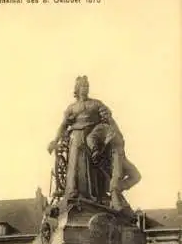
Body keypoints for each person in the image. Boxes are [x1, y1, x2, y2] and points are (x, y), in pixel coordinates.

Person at [48, 76, 141, 211]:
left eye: (87, 86)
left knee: (93, 169)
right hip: (76, 138)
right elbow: (63, 125)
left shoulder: (96, 104)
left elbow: (109, 120)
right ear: (77, 89)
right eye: (82, 86)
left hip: (94, 139)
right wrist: (54, 141)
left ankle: (97, 196)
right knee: (74, 167)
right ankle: (73, 193)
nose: (85, 88)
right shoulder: (71, 108)